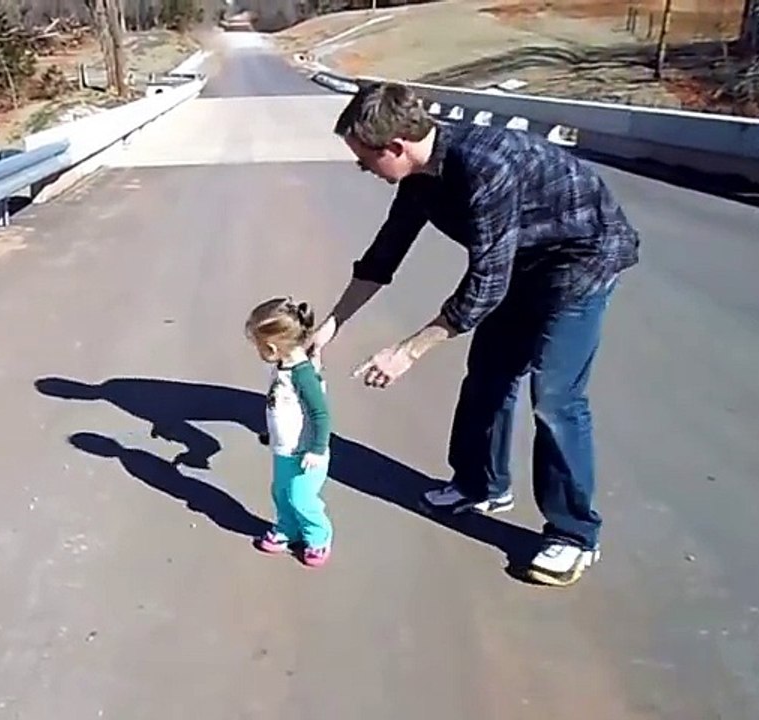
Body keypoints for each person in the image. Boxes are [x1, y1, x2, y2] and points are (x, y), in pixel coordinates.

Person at [310, 81, 641, 587]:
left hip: (582, 260)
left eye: (365, 159)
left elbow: (485, 286)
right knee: (489, 374)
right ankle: (481, 485)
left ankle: (574, 535)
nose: (363, 169)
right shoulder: (420, 179)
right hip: (521, 262)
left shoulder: (485, 167)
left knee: (556, 397)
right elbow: (384, 256)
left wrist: (407, 351)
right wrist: (331, 326)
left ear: (395, 146)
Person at [245, 297, 335, 568]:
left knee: (301, 498)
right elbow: (281, 406)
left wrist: (317, 449)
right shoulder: (281, 368)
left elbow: (321, 415)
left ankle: (318, 537)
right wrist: (269, 432)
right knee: (281, 492)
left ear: (272, 347)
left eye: (258, 346)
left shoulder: (303, 375)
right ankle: (288, 529)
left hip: (307, 453)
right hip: (283, 449)